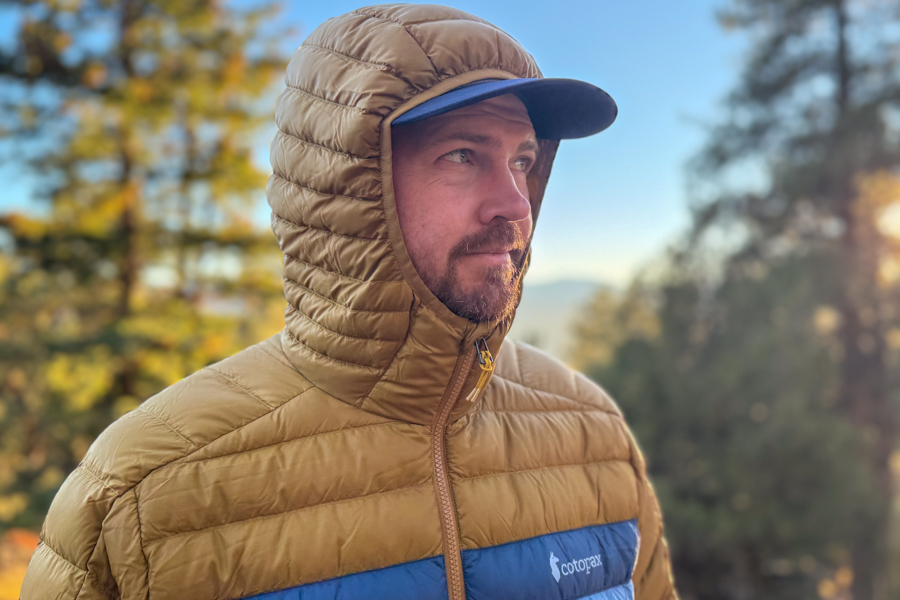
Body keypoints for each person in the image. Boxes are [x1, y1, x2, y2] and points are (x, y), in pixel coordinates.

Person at [21, 5, 677, 600]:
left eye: (523, 160)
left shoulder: (593, 440)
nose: (515, 205)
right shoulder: (143, 499)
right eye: (461, 155)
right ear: (348, 188)